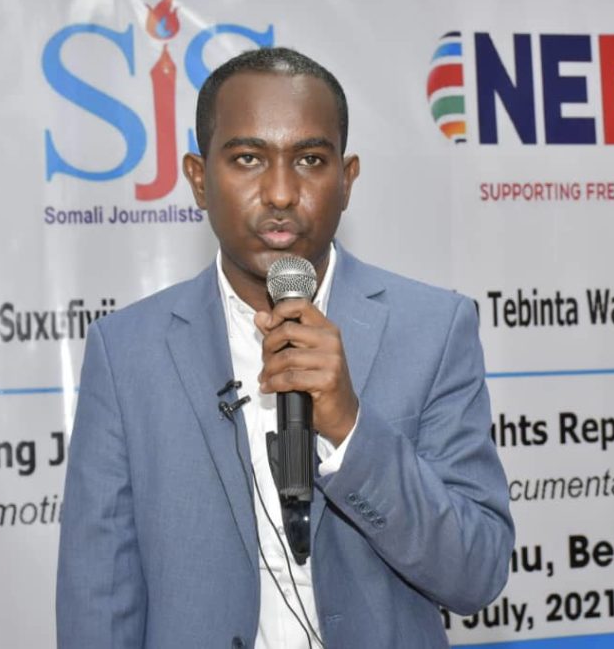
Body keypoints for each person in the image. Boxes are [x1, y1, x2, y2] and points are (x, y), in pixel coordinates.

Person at [56, 47, 514, 649]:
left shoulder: (433, 328)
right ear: (199, 178)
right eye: (248, 158)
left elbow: (477, 572)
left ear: (346, 181)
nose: (278, 192)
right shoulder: (128, 352)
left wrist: (351, 429)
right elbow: (99, 594)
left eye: (309, 159)